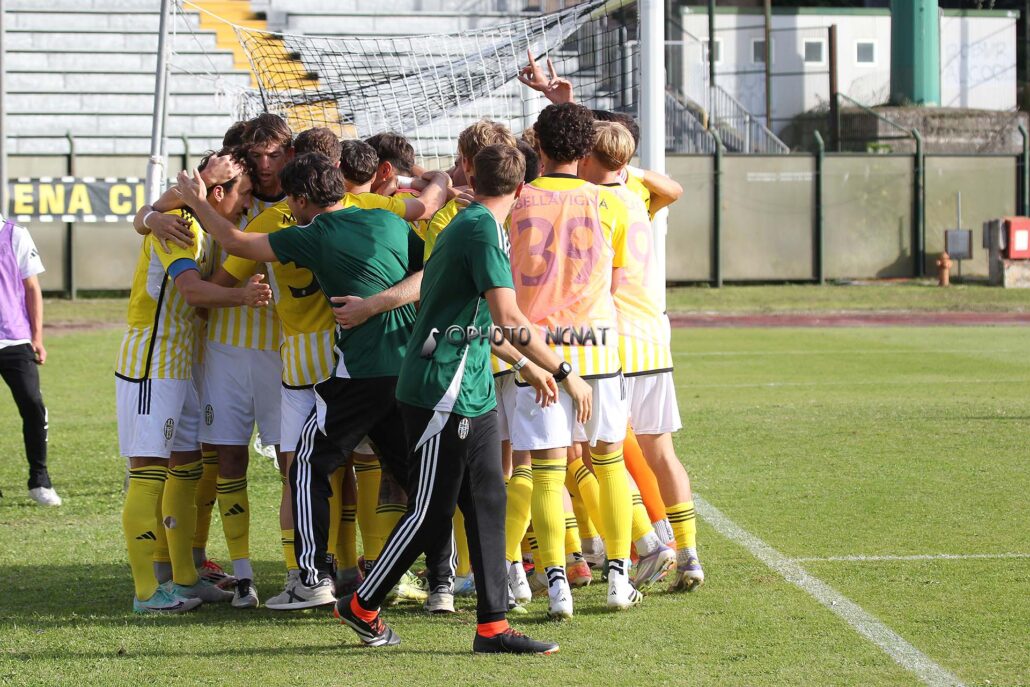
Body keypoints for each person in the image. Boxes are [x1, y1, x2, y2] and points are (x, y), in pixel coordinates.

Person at [339, 143, 586, 653]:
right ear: (522, 190)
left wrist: (524, 365)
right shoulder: (479, 231)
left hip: (471, 388)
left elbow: (473, 319)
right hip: (441, 390)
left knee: (488, 500)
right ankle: (361, 604)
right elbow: (509, 318)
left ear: (471, 174)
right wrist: (564, 372)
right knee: (431, 510)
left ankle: (493, 626)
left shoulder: (471, 224)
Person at [118, 159, 271, 614]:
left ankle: (185, 577)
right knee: (148, 473)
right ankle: (147, 592)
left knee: (185, 470)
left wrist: (150, 213)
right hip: (151, 365)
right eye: (244, 194)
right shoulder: (180, 226)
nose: (246, 204)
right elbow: (191, 290)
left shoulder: (196, 225)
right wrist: (241, 296)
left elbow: (146, 214)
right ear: (217, 192)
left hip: (181, 365)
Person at [507, 101, 637, 619]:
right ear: (586, 150)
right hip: (597, 347)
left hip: (537, 352)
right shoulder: (614, 202)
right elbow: (617, 277)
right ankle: (619, 579)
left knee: (546, 472)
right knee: (609, 462)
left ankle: (557, 587)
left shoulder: (516, 199)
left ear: (537, 144)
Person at [0, 217, 59, 507]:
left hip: (14, 339)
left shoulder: (14, 234)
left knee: (33, 405)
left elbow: (32, 287)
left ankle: (40, 480)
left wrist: (37, 337)